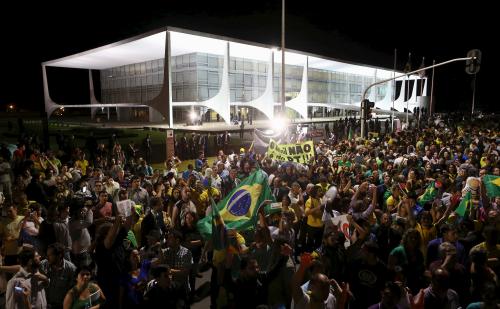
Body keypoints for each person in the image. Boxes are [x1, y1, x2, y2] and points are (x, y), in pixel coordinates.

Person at [39, 243, 77, 309]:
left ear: (60, 255)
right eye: (47, 255)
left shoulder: (71, 269)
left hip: (61, 306)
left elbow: (73, 291)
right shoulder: (43, 265)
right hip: (44, 304)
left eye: (50, 255)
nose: (47, 258)